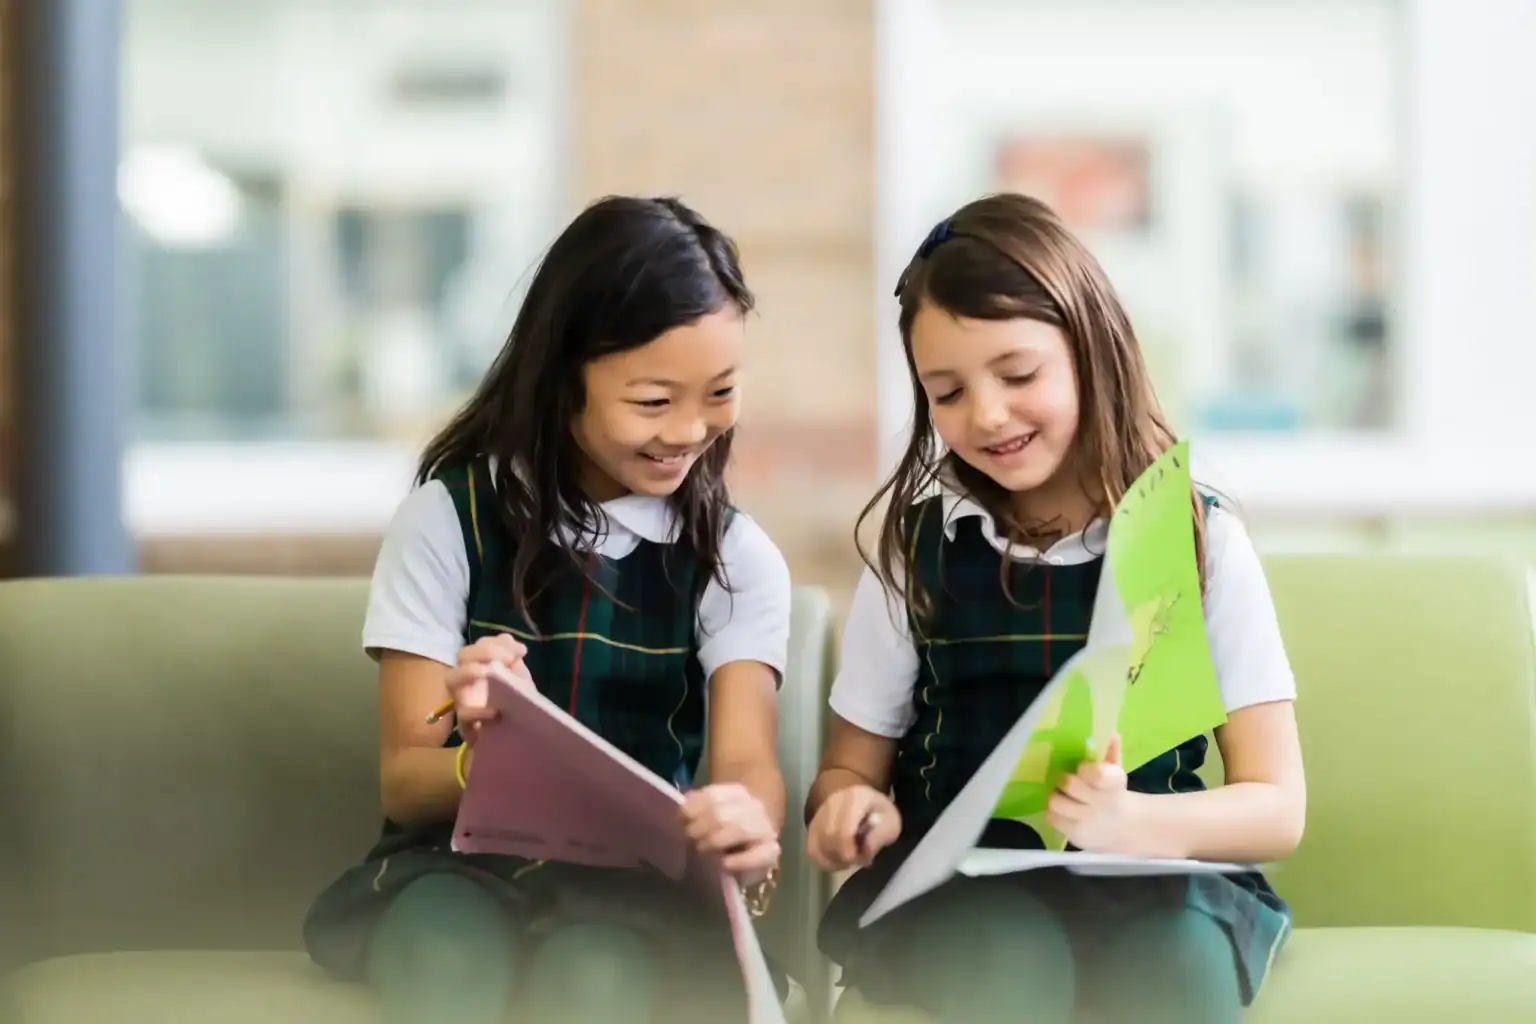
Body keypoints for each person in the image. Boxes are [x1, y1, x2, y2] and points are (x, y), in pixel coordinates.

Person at [806, 193, 1305, 1024]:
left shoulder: (1198, 539)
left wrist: (1134, 821)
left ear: (1091, 348)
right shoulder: (917, 549)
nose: (987, 415)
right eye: (948, 392)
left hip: (1147, 881)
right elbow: (849, 770)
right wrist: (849, 809)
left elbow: (1277, 807)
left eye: (1019, 374)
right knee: (1010, 956)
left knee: (1176, 962)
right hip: (961, 889)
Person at [303, 195, 793, 1024]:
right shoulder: (449, 518)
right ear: (563, 375)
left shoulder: (734, 557)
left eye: (720, 392)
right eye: (651, 401)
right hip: (457, 865)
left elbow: (746, 764)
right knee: (444, 948)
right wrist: (490, 754)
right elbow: (405, 777)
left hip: (628, 883)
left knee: (596, 972)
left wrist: (746, 821)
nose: (689, 429)